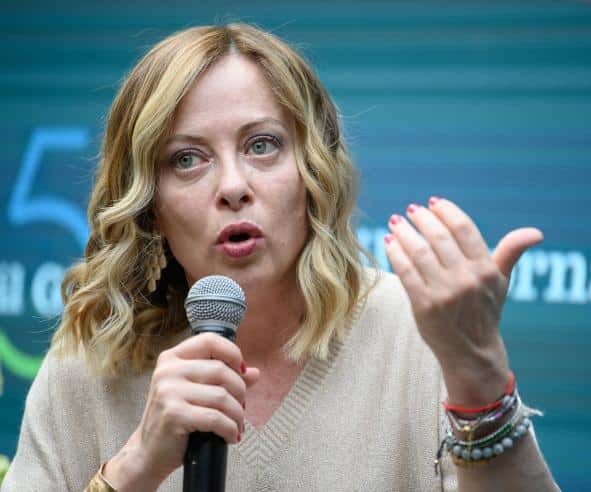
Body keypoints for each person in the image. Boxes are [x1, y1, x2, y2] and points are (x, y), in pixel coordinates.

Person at [2, 23, 560, 491]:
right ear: (149, 205)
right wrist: (135, 467)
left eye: (262, 145)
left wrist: (477, 373)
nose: (233, 186)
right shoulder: (89, 364)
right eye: (187, 159)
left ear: (313, 173)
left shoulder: (415, 335)